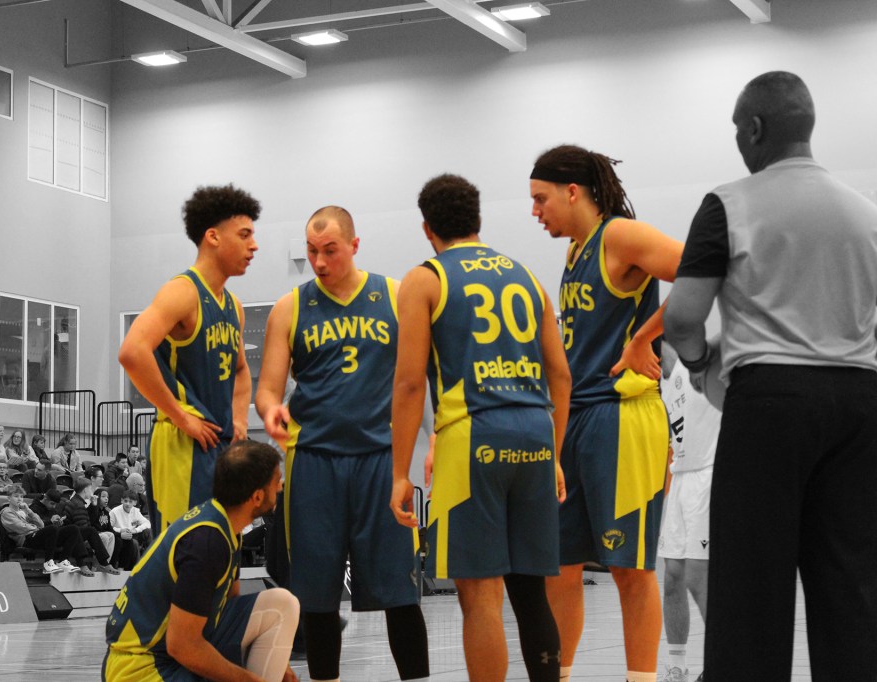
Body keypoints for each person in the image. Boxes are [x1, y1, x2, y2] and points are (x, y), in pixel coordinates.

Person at [663, 71, 877, 682]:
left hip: (771, 404)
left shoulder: (729, 203)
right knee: (852, 588)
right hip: (859, 403)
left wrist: (702, 365)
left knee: (750, 589)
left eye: (738, 130)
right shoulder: (866, 213)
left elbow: (681, 318)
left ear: (754, 129)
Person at [389, 174, 570, 682]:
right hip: (535, 432)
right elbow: (560, 375)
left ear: (427, 228)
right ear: (478, 220)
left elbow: (409, 384)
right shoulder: (526, 276)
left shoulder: (425, 278)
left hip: (473, 436)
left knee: (480, 595)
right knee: (531, 591)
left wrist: (400, 473)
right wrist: (555, 455)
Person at [529, 145, 682, 682]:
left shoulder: (619, 235)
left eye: (541, 199)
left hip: (621, 417)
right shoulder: (577, 251)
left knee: (629, 570)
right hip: (575, 418)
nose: (534, 211)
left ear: (572, 192)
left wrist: (645, 337)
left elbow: (703, 268)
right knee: (560, 568)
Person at [256, 205, 429, 682]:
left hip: (381, 461)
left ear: (354, 245)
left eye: (330, 250)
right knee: (316, 596)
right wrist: (270, 409)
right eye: (312, 251)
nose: (319, 261)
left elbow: (418, 378)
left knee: (400, 591)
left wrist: (433, 437)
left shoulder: (395, 296)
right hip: (314, 463)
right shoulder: (290, 308)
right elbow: (268, 388)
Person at [118, 184, 259, 534]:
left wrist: (240, 420)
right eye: (244, 235)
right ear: (213, 236)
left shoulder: (234, 306)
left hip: (220, 442)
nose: (254, 245)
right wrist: (180, 416)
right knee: (184, 548)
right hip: (182, 441)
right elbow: (132, 352)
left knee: (223, 545)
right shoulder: (182, 292)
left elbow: (241, 370)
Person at [104, 439, 299, 682]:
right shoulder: (207, 542)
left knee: (280, 605)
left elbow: (229, 608)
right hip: (140, 670)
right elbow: (183, 646)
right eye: (276, 481)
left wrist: (278, 663)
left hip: (164, 655)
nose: (280, 487)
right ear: (257, 496)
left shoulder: (225, 522)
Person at [656, 343, 720, 682]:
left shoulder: (700, 364)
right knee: (673, 577)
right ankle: (677, 666)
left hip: (709, 475)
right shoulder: (658, 383)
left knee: (698, 577)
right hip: (679, 477)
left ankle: (725, 661)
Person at [0, 485, 86, 574]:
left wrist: (28, 510)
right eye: (16, 496)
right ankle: (48, 563)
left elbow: (41, 524)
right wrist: (37, 528)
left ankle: (63, 560)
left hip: (35, 535)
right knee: (52, 528)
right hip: (26, 539)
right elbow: (21, 527)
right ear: (9, 498)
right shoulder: (6, 512)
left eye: (21, 496)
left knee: (73, 529)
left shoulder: (24, 511)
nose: (19, 499)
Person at [60, 477, 120, 576]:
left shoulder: (79, 502)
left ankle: (104, 563)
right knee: (94, 532)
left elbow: (87, 523)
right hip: (72, 538)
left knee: (109, 534)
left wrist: (93, 506)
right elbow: (83, 528)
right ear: (85, 490)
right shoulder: (77, 504)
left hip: (76, 533)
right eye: (90, 489)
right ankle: (101, 563)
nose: (92, 491)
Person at [109, 489, 152, 570]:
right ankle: (136, 568)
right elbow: (109, 527)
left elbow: (147, 523)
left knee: (148, 532)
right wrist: (121, 530)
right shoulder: (114, 512)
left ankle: (150, 560)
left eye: (130, 501)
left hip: (133, 533)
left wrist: (136, 530)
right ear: (122, 500)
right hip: (119, 536)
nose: (127, 504)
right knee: (134, 543)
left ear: (134, 503)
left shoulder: (135, 511)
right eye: (125, 501)